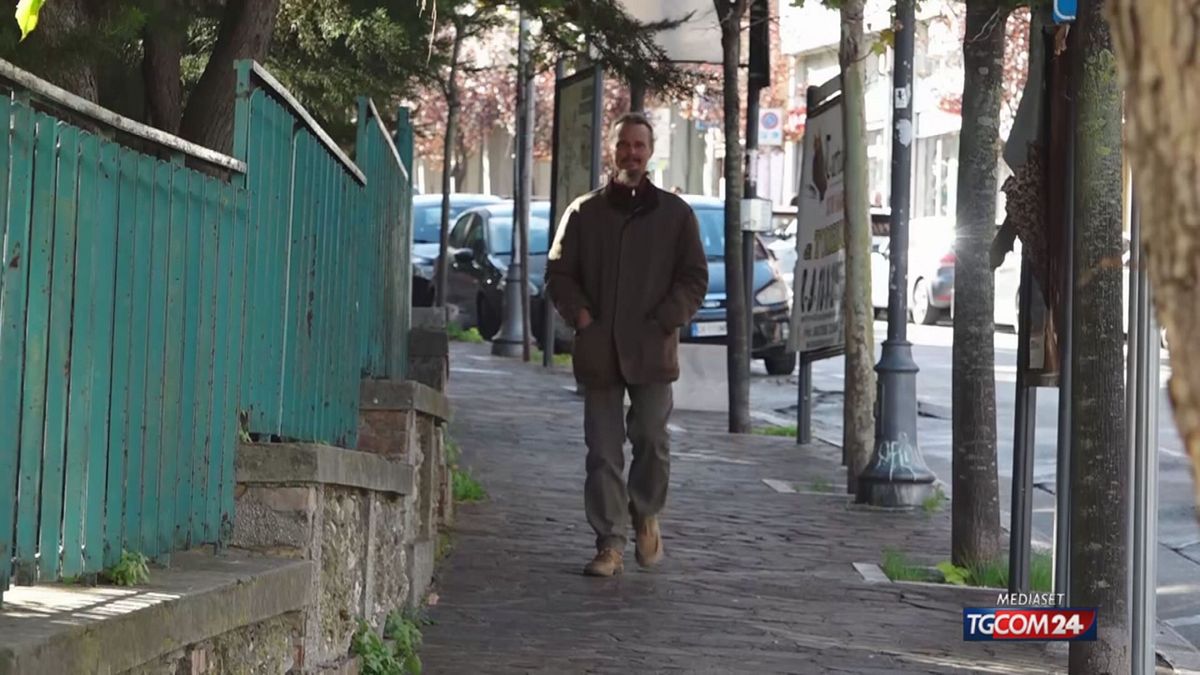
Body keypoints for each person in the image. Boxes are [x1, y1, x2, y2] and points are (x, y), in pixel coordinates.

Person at [546, 112, 709, 577]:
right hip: (599, 350)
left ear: (650, 151)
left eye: (639, 145)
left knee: (652, 440)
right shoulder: (584, 212)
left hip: (652, 349)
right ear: (612, 149)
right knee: (602, 450)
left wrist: (667, 317)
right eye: (624, 145)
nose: (631, 153)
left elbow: (694, 277)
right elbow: (559, 272)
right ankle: (609, 542)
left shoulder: (676, 215)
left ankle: (646, 511)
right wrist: (580, 315)